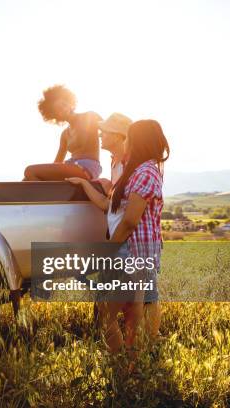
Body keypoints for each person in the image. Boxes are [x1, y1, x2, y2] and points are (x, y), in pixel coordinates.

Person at [71, 119, 168, 353]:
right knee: (130, 315)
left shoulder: (145, 172)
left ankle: (121, 364)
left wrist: (108, 250)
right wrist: (85, 185)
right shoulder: (136, 171)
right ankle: (132, 365)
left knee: (109, 314)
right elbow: (110, 206)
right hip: (129, 252)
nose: (127, 142)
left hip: (130, 252)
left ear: (139, 142)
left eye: (130, 138)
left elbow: (130, 221)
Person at [23, 85, 102, 181]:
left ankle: (47, 194)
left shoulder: (90, 116)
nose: (64, 109)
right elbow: (57, 163)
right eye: (58, 110)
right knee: (26, 179)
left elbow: (111, 130)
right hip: (70, 165)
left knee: (29, 171)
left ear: (70, 103)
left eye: (64, 104)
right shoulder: (65, 134)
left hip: (88, 166)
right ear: (55, 115)